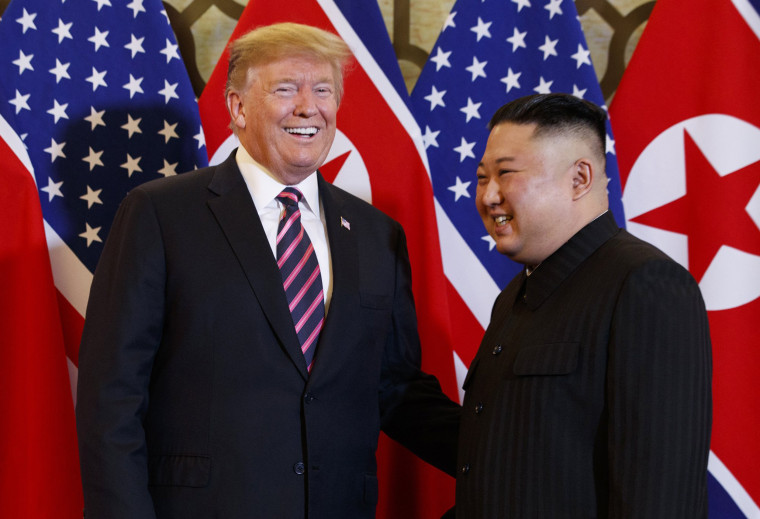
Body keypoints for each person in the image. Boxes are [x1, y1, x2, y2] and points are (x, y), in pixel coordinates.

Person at [76, 22, 460, 519]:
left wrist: (506, 456)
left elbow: (395, 385)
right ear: (237, 107)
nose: (308, 107)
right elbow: (113, 395)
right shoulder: (161, 214)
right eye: (285, 89)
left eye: (322, 90)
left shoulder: (375, 233)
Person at [454, 93, 712, 517]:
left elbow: (660, 496)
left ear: (579, 179)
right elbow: (502, 457)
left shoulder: (646, 284)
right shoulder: (513, 297)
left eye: (506, 174)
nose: (489, 196)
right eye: (483, 177)